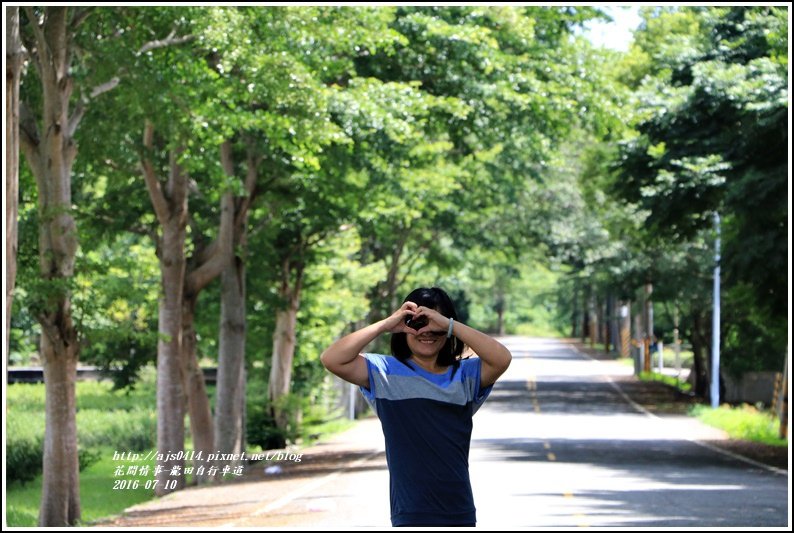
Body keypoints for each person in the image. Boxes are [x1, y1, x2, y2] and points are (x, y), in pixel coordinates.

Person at [320, 287, 512, 527]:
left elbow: (502, 358)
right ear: (405, 325)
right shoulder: (383, 372)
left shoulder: (466, 375)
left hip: (458, 510)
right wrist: (386, 324)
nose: (427, 332)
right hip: (410, 513)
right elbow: (332, 358)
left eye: (435, 325)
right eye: (419, 323)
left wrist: (449, 324)